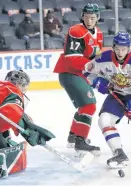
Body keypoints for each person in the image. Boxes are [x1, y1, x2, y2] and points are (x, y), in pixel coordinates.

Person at [84, 31, 131, 168]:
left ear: (129, 48)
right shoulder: (102, 59)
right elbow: (86, 72)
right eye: (117, 48)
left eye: (123, 49)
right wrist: (97, 82)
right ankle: (119, 153)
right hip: (117, 94)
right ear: (113, 47)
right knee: (104, 120)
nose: (120, 52)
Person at [53, 3, 103, 156]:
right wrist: (92, 68)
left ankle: (74, 136)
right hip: (70, 73)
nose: (89, 21)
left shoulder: (99, 34)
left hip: (80, 74)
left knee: (85, 107)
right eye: (86, 17)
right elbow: (72, 58)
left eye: (92, 18)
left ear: (97, 18)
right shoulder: (76, 31)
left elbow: (96, 56)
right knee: (89, 106)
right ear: (82, 16)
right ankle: (81, 142)